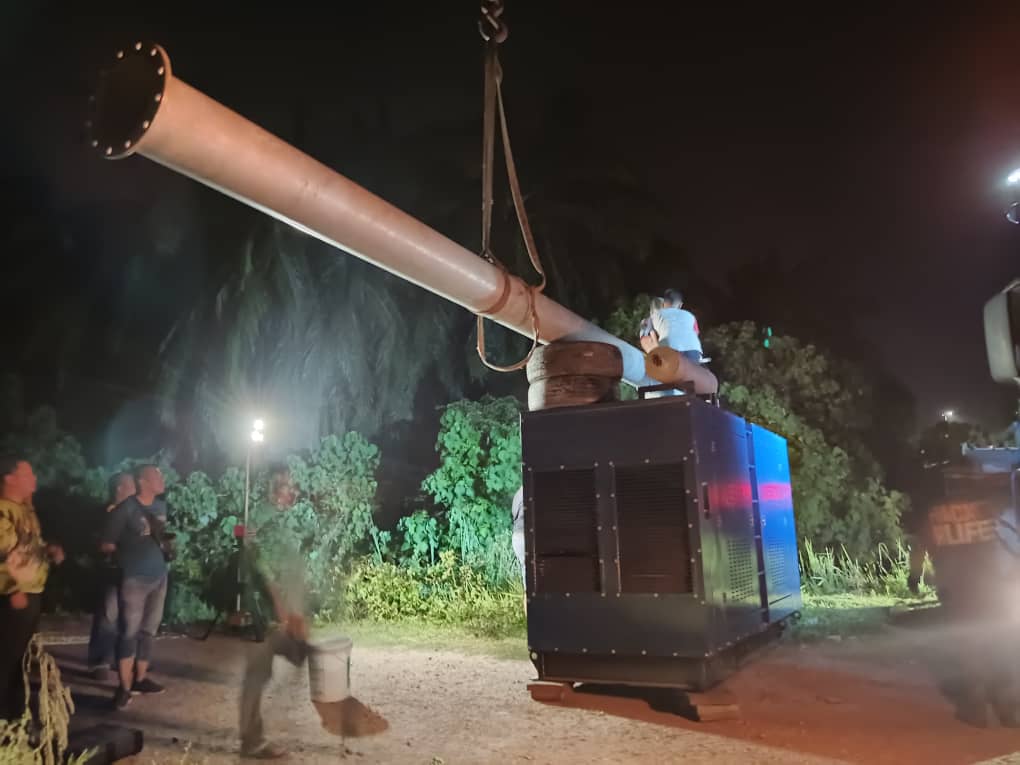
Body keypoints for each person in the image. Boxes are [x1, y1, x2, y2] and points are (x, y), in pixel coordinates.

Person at [100, 464, 170, 709]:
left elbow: (160, 536)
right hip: (134, 579)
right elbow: (106, 543)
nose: (162, 479)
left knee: (149, 630)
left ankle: (140, 679)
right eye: (157, 476)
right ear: (143, 481)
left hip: (159, 576)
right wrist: (126, 557)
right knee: (128, 632)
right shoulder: (125, 509)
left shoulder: (161, 506)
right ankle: (124, 687)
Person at [0, 454, 64, 721]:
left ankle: (14, 717)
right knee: (6, 659)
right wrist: (12, 588)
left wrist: (47, 550)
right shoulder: (3, 511)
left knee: (19, 660)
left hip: (30, 593)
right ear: (9, 478)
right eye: (27, 473)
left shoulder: (25, 510)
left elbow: (25, 547)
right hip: (11, 597)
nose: (34, 478)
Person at [238, 538, 311, 759]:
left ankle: (252, 737)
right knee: (256, 676)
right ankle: (251, 741)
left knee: (264, 671)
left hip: (265, 621)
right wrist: (286, 616)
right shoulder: (260, 550)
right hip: (259, 621)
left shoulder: (268, 548)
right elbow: (270, 583)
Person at [87, 471, 136, 681]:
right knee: (108, 615)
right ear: (119, 488)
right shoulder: (105, 513)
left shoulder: (134, 513)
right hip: (111, 570)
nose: (135, 489)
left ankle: (122, 658)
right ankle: (100, 661)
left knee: (128, 618)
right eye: (131, 485)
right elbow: (99, 542)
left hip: (132, 572)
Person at [650, 288, 703, 364]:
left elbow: (651, 332)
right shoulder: (691, 316)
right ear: (680, 305)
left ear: (664, 303)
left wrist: (657, 349)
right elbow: (696, 333)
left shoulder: (656, 314)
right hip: (694, 352)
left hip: (670, 350)